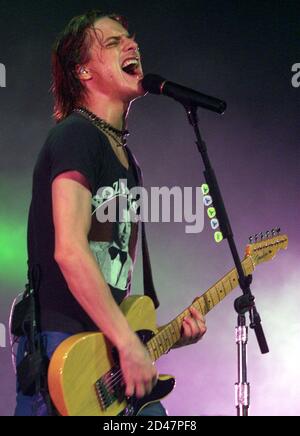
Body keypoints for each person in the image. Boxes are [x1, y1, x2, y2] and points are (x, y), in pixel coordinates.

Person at [14, 10, 207, 416]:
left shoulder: (128, 160)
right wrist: (127, 341)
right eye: (113, 42)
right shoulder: (77, 135)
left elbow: (113, 270)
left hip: (109, 353)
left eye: (131, 38)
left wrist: (158, 337)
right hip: (64, 346)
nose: (132, 44)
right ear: (83, 71)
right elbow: (69, 249)